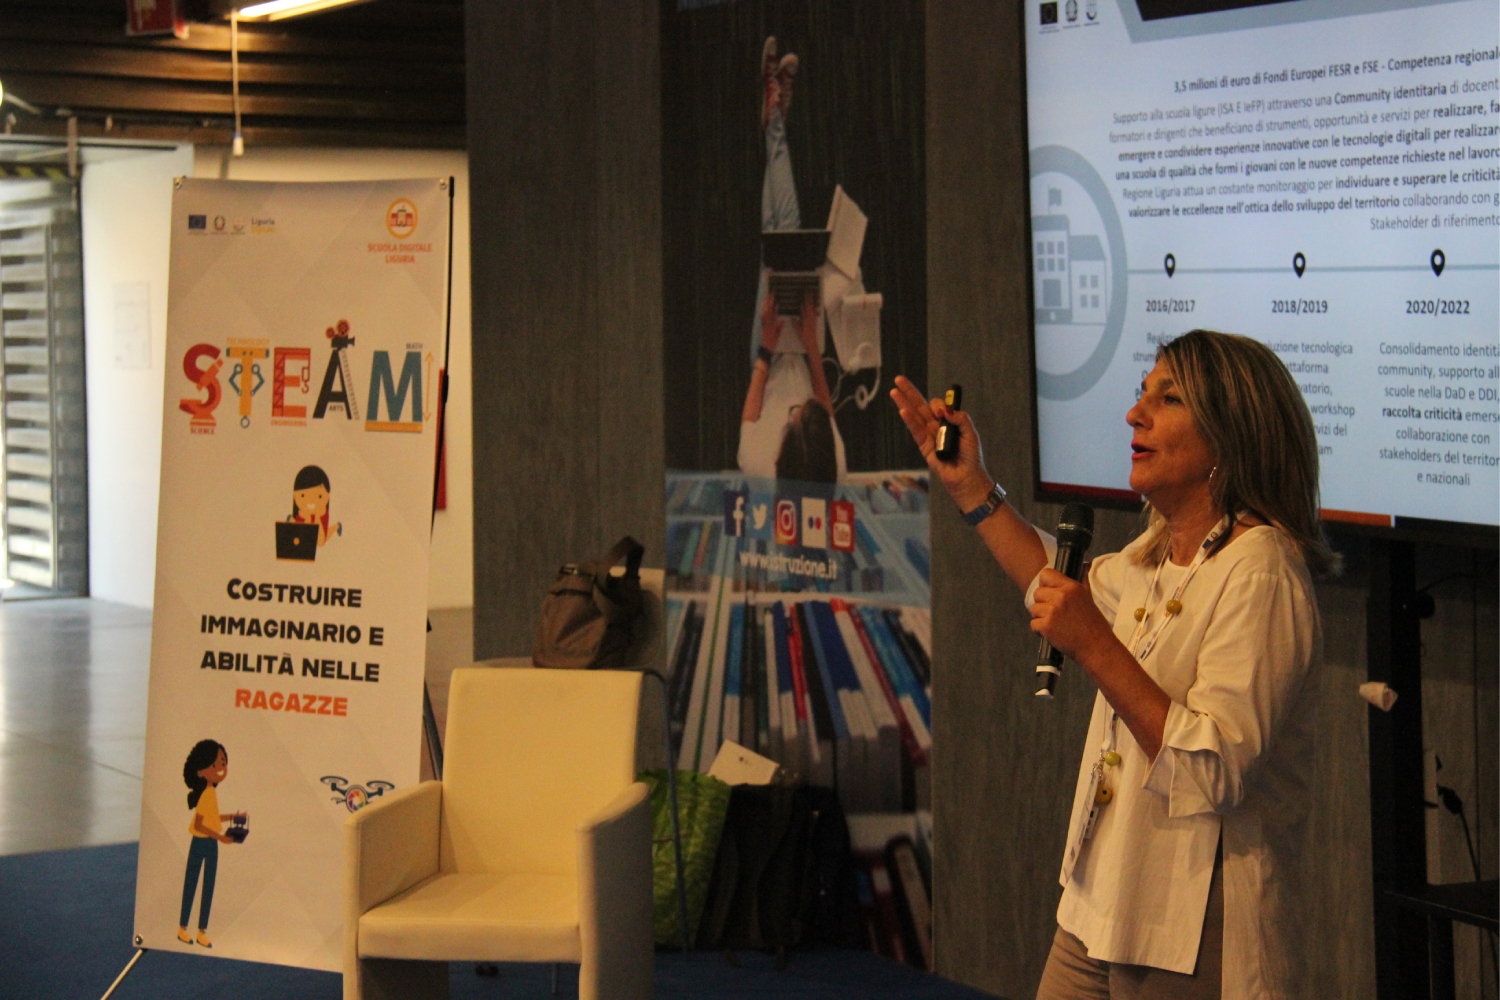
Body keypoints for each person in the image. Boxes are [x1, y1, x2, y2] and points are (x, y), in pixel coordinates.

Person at [892, 330, 1333, 999]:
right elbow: (1054, 584)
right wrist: (972, 487)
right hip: (1100, 900)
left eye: (1168, 399)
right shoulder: (1156, 552)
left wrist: (1095, 645)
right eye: (1140, 394)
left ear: (1229, 434)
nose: (1134, 414)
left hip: (1190, 925)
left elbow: (1216, 770)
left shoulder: (1261, 572)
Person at [738, 35, 847, 485]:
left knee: (782, 233)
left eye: (795, 417)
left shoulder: (759, 465)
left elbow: (750, 416)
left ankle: (776, 119)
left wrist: (767, 347)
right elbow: (825, 407)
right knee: (781, 231)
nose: (799, 409)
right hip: (804, 351)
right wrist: (811, 348)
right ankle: (773, 118)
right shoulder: (834, 464)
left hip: (764, 354)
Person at [178, 739, 245, 947]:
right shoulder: (206, 794)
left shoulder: (211, 792)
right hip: (200, 842)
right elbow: (200, 824)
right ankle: (183, 928)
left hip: (210, 844)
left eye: (223, 763)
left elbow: (212, 818)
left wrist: (232, 817)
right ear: (201, 771)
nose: (221, 769)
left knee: (208, 885)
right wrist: (221, 837)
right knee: (192, 883)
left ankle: (201, 931)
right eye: (215, 764)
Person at [288, 464, 341, 547]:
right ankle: (337, 526)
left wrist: (317, 518)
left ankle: (337, 526)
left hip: (319, 524)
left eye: (319, 496)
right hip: (302, 522)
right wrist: (307, 518)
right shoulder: (301, 513)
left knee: (322, 539)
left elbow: (320, 542)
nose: (310, 501)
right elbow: (302, 536)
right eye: (303, 496)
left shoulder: (322, 512)